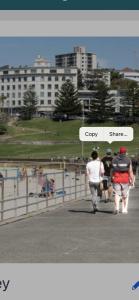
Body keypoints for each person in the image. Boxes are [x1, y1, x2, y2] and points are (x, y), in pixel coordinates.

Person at [111, 146, 134, 215]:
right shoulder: (128, 159)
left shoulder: (114, 159)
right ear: (125, 152)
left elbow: (112, 170)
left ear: (119, 152)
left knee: (117, 194)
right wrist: (132, 180)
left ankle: (117, 208)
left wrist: (112, 177)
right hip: (125, 178)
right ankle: (124, 209)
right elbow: (130, 171)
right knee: (125, 194)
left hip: (116, 178)